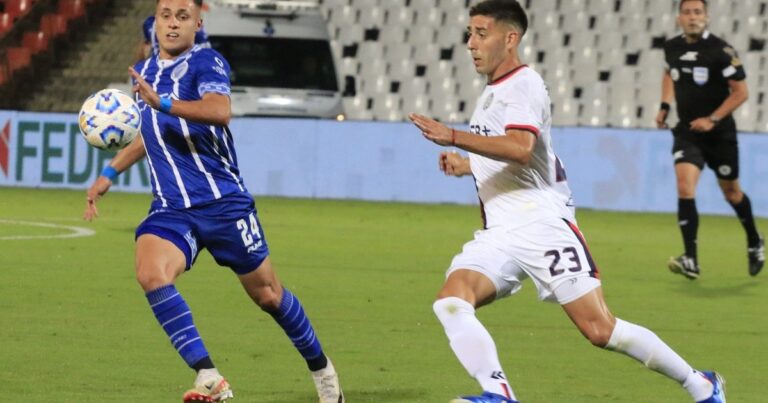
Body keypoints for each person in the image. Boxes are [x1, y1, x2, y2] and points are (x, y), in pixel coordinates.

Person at [408, 1, 725, 402]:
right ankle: (497, 394)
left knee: (600, 330)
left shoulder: (523, 84)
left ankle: (701, 384)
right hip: (500, 233)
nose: (471, 43)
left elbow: (521, 148)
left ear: (510, 38)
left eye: (480, 33)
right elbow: (534, 157)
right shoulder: (494, 92)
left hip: (541, 226)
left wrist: (454, 137)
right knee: (452, 301)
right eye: (469, 34)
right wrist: (469, 165)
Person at [84, 1, 344, 402]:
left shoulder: (207, 63)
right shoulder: (146, 72)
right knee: (151, 272)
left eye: (182, 16)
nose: (172, 23)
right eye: (166, 15)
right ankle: (209, 377)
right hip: (171, 208)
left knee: (269, 295)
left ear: (197, 23)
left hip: (223, 204)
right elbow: (151, 130)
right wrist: (109, 173)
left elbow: (220, 111)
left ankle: (322, 369)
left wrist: (164, 103)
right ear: (156, 21)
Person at [656, 0, 764, 279]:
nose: (693, 17)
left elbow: (741, 92)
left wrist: (712, 119)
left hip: (720, 135)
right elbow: (669, 72)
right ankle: (690, 259)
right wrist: (665, 105)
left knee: (732, 193)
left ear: (707, 17)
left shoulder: (721, 51)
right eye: (687, 12)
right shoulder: (672, 47)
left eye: (698, 12)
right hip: (688, 131)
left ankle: (754, 240)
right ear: (679, 18)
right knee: (684, 186)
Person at [135, 13, 210, 62]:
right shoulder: (150, 23)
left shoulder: (192, 26)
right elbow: (145, 47)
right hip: (158, 71)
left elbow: (206, 55)